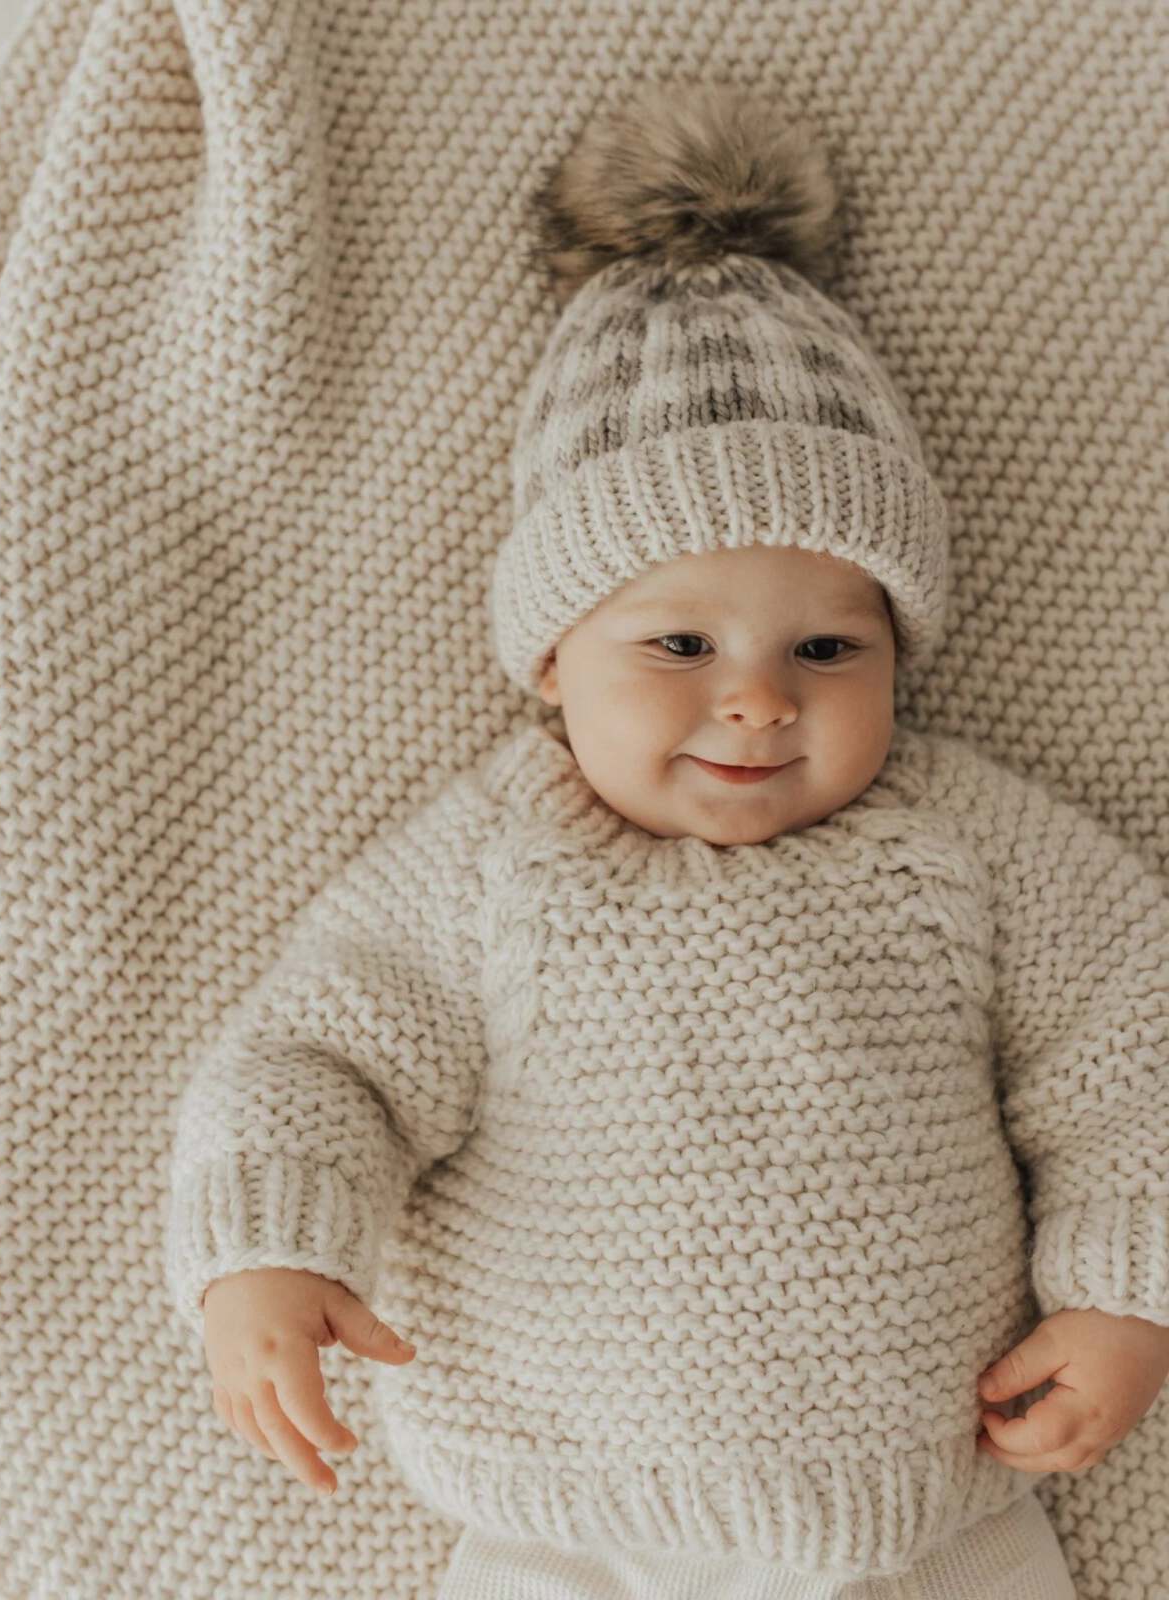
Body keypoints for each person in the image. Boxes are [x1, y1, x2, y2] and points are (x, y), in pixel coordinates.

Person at [164, 81, 1169, 1599]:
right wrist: (268, 1252)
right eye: (681, 644)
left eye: (828, 650)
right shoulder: (488, 863)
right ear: (553, 659)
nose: (758, 699)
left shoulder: (971, 846)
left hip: (941, 1513)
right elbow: (322, 1062)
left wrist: (1125, 1294)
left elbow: (1132, 1056)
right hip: (562, 1518)